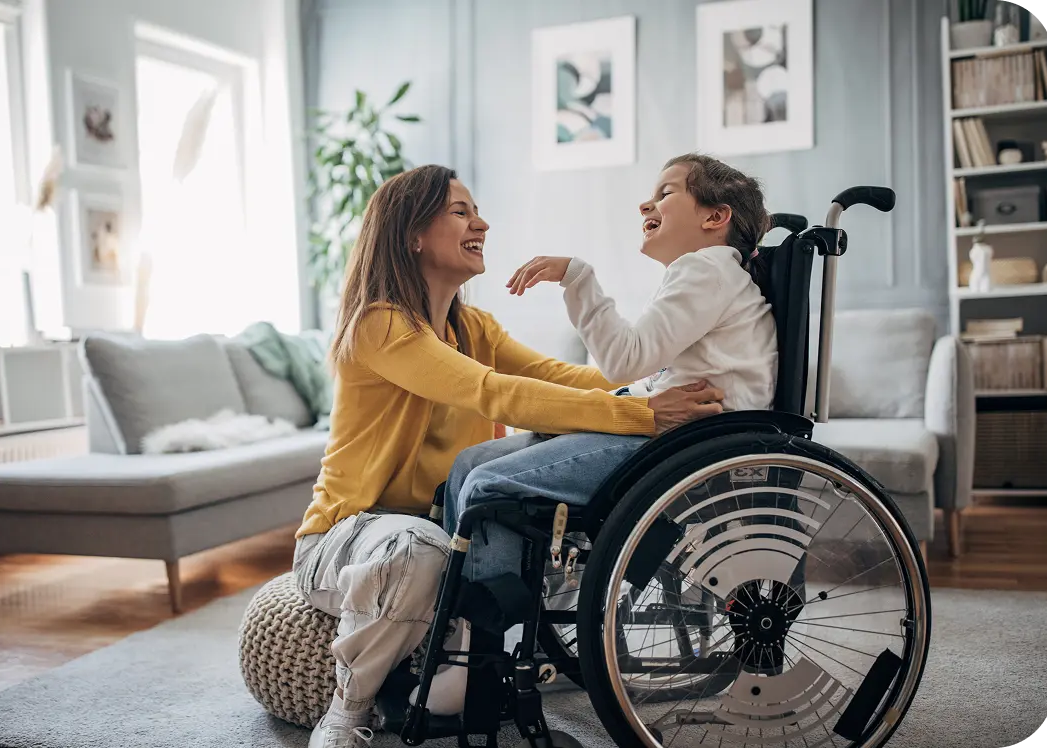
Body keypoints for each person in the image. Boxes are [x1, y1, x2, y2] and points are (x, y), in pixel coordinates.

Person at [292, 164, 725, 748]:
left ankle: (466, 672)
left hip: (448, 528)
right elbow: (491, 392)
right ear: (411, 234)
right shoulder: (380, 324)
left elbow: (564, 378)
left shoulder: (472, 325)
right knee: (418, 549)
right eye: (461, 212)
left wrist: (656, 391)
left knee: (542, 541)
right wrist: (644, 415)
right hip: (348, 536)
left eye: (477, 211)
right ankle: (347, 713)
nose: (482, 223)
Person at [441, 152, 778, 590]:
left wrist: (578, 279)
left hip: (682, 446)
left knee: (488, 483)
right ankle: (461, 606)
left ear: (715, 216)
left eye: (666, 193)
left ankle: (490, 633)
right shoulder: (712, 275)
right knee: (471, 463)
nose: (646, 205)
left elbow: (624, 360)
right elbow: (641, 372)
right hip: (672, 436)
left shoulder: (705, 268)